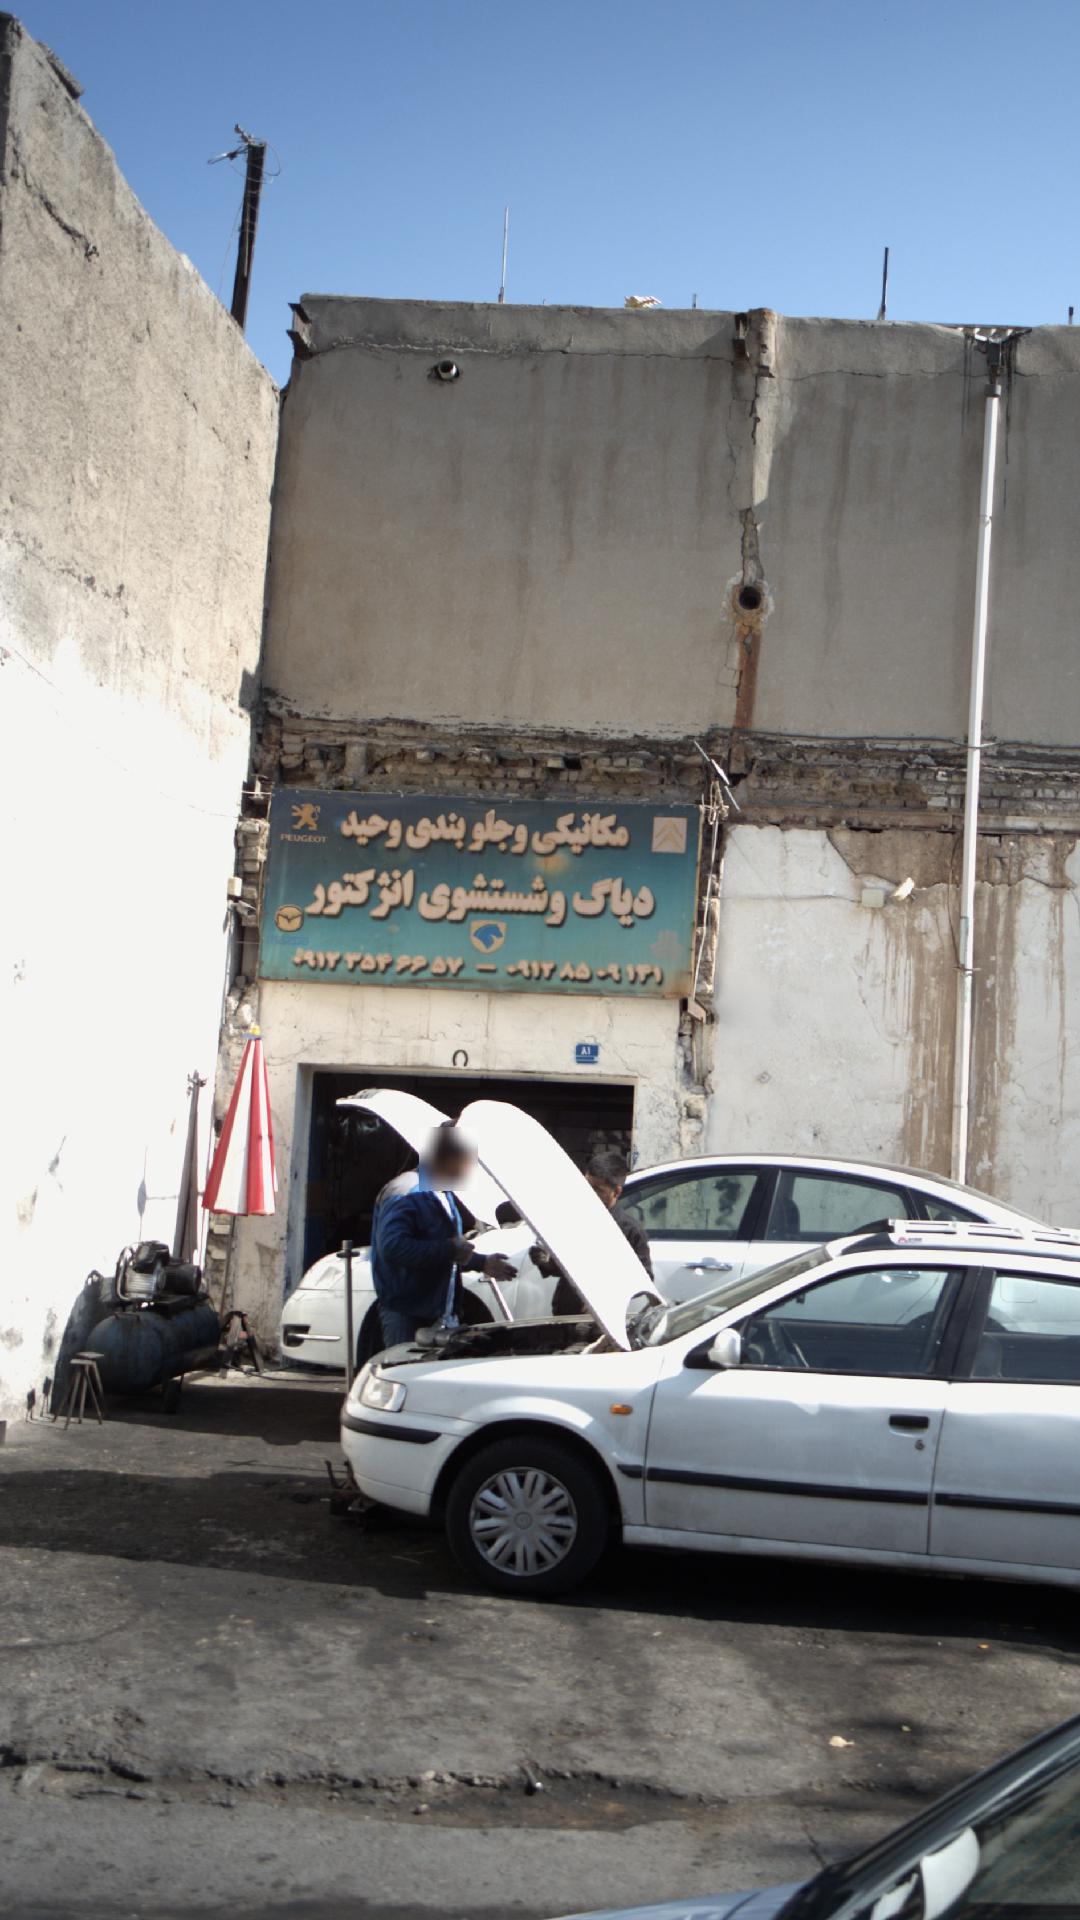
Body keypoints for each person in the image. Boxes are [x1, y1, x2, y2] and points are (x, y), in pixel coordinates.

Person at [371, 1123, 516, 1347]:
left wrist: (480, 1262)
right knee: (404, 1367)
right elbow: (393, 1247)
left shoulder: (440, 1193)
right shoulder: (407, 1192)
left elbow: (438, 1250)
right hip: (409, 1314)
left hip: (439, 1314)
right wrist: (450, 1248)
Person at [534, 1146, 653, 1316]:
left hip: (601, 1320)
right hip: (566, 1312)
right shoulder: (572, 1221)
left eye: (597, 1190)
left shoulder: (630, 1231)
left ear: (616, 1192)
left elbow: (643, 1279)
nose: (589, 1193)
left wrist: (606, 1293)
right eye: (586, 1186)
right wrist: (544, 1259)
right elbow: (560, 1266)